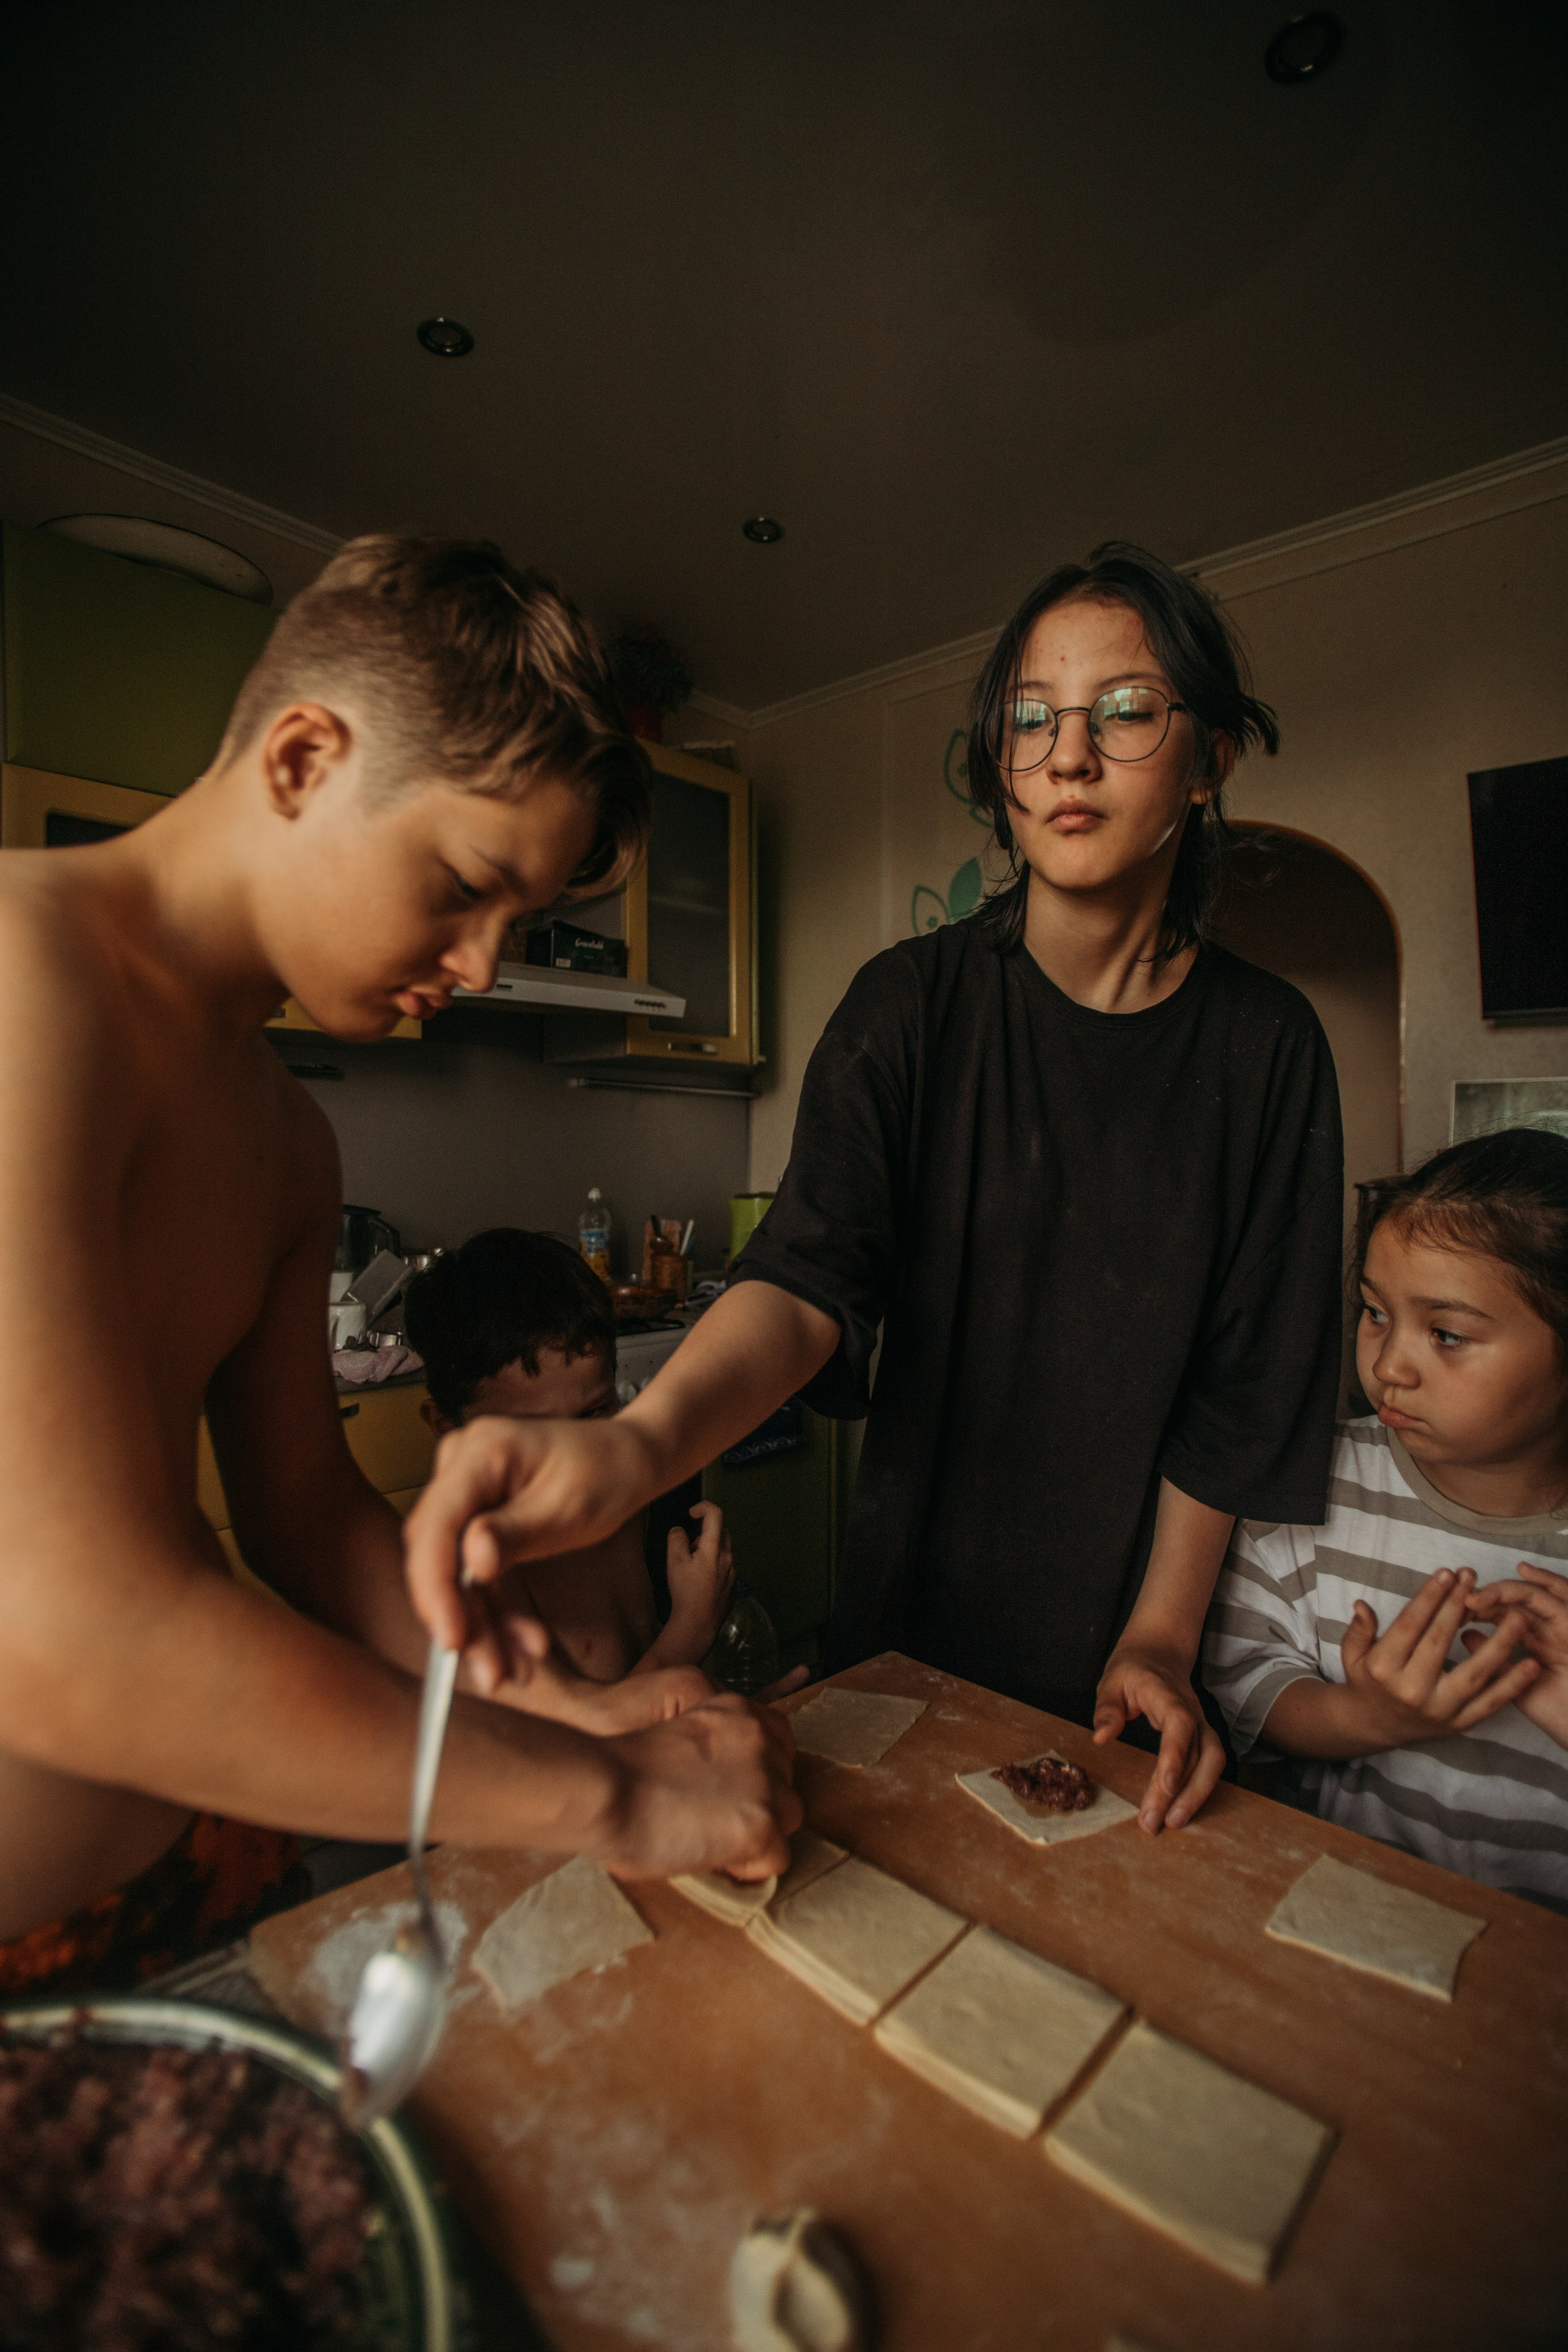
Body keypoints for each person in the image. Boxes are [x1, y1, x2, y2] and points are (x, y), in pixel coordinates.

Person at [407, 542, 1344, 1836]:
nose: (1067, 755)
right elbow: (803, 1278)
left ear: (1207, 761)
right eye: (1029, 719)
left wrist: (1163, 1637)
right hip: (916, 1622)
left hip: (1141, 1643)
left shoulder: (1269, 1050)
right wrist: (634, 1443)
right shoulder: (910, 1007)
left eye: (1124, 710)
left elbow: (1239, 1394)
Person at [0, 535, 798, 1997]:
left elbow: (311, 1522)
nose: (485, 965)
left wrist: (589, 1712)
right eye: (461, 883)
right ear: (305, 755)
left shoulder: (287, 1140)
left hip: (187, 1882)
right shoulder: (19, 977)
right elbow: (60, 1627)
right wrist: (615, 1797)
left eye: (519, 923)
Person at [1204, 1129, 1568, 1909]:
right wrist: (1363, 1716)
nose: (1389, 1365)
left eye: (1445, 1334)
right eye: (1374, 1313)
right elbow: (1244, 1681)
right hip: (1341, 1918)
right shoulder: (1311, 1486)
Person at [404, 1227, 736, 1686]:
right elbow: (560, 1744)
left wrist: (722, 1698)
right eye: (534, 1433)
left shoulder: (615, 1500)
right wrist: (692, 1629)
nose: (576, 1458)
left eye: (595, 1411)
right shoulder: (481, 1566)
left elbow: (634, 1649)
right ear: (446, 1429)